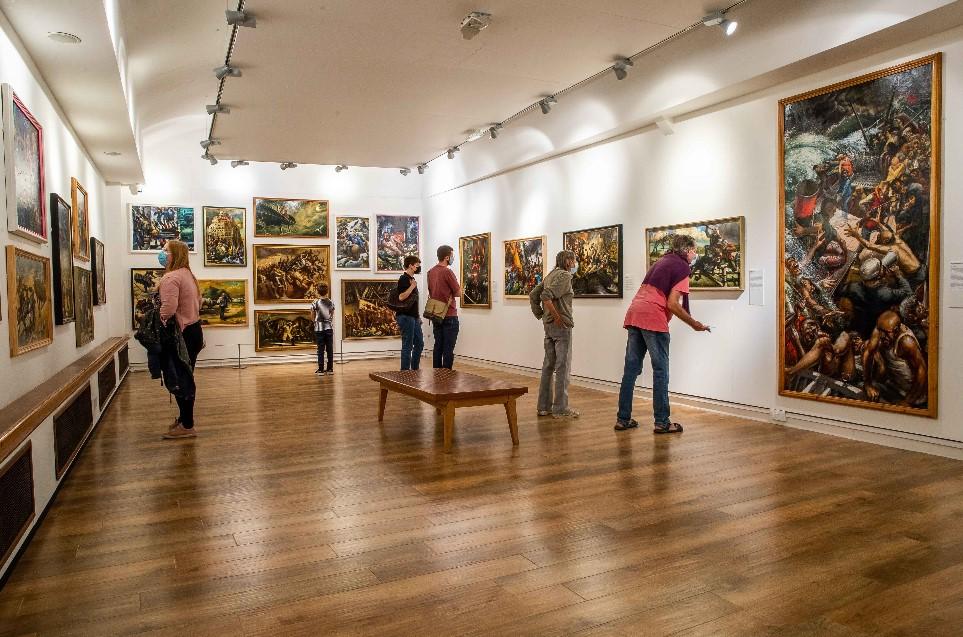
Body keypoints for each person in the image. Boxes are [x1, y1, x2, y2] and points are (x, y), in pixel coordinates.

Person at [616, 234, 710, 433]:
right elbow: (672, 304)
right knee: (661, 372)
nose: (695, 253)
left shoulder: (663, 261)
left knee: (630, 371)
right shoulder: (682, 267)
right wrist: (694, 324)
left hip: (634, 313)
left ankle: (623, 419)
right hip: (652, 318)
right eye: (694, 249)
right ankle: (662, 422)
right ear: (686, 251)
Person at [158, 239, 203, 439]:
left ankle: (187, 425)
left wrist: (159, 318)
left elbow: (168, 309)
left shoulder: (171, 277)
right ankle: (184, 419)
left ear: (174, 254)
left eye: (165, 250)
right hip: (193, 330)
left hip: (180, 334)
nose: (162, 253)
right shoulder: (189, 276)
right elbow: (198, 302)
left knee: (179, 378)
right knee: (185, 375)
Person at [537, 250, 580, 419]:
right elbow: (545, 295)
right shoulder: (564, 276)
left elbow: (534, 294)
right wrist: (557, 318)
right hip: (560, 326)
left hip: (548, 326)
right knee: (563, 366)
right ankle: (560, 408)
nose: (575, 264)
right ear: (568, 261)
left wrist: (541, 314)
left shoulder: (550, 274)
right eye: (574, 260)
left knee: (548, 365)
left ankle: (543, 407)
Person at [427, 245, 461, 369]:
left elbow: (431, 291)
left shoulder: (430, 272)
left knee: (438, 346)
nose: (453, 258)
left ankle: (437, 375)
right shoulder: (447, 271)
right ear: (447, 257)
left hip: (436, 313)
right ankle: (446, 378)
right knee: (448, 349)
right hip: (449, 314)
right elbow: (458, 292)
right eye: (452, 255)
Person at [396, 255, 424, 370]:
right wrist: (412, 287)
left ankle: (414, 370)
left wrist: (417, 316)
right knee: (407, 345)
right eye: (417, 264)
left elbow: (413, 301)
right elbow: (401, 297)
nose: (418, 266)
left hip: (413, 317)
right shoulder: (403, 278)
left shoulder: (412, 279)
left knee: (419, 343)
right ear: (411, 266)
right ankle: (405, 373)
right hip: (405, 317)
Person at [311, 283, 335, 375]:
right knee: (330, 349)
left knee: (320, 349)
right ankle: (330, 369)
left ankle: (321, 369)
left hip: (319, 328)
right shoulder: (331, 302)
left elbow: (312, 315)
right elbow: (332, 314)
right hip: (329, 328)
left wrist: (315, 322)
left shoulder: (315, 302)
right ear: (327, 291)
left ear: (317, 291)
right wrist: (328, 321)